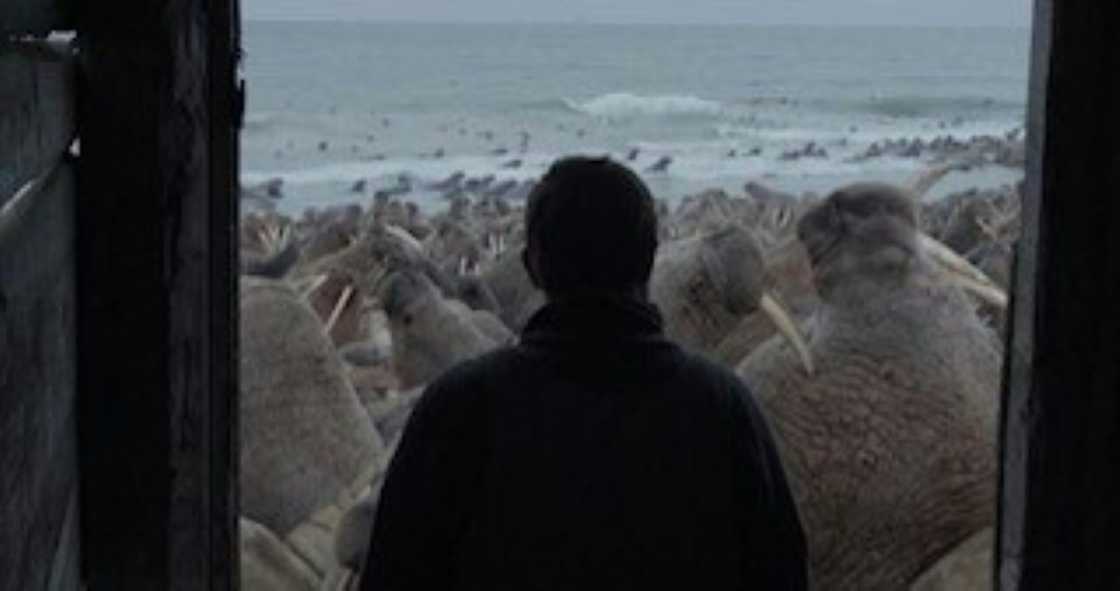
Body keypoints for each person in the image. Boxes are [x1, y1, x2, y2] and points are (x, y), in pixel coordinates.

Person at [360, 156, 807, 590]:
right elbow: (781, 571)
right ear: (650, 258)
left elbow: (393, 574)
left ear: (533, 264)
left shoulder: (458, 408)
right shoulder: (722, 407)